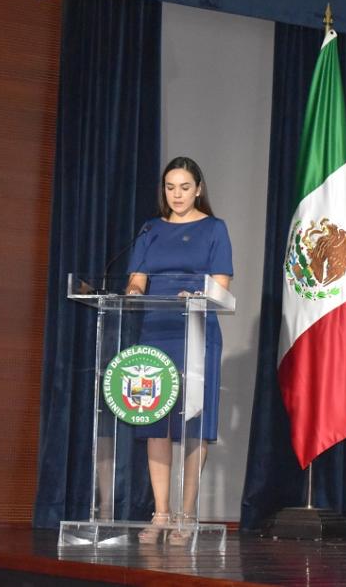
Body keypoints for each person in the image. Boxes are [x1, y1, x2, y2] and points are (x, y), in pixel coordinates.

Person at [125, 156, 233, 544]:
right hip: (156, 330)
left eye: (185, 187)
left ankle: (186, 515)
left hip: (198, 331)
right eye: (170, 187)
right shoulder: (150, 229)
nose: (177, 195)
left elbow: (222, 284)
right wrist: (134, 291)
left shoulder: (214, 229)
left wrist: (201, 295)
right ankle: (161, 513)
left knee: (192, 425)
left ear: (198, 188)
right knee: (156, 423)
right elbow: (136, 280)